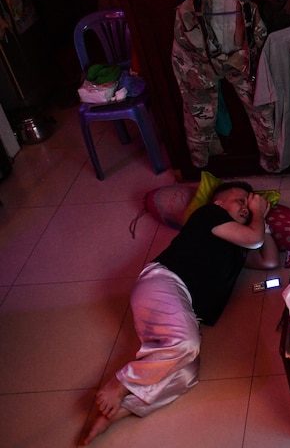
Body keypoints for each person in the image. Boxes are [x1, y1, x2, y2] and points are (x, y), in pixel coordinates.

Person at [80, 181, 279, 446]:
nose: (246, 206)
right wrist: (259, 214)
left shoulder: (238, 247)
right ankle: (120, 383)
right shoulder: (208, 216)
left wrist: (262, 225)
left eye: (248, 201)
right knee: (186, 343)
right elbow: (254, 240)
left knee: (187, 376)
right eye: (240, 201)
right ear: (218, 204)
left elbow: (269, 260)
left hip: (184, 307)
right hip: (164, 282)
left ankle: (122, 410)